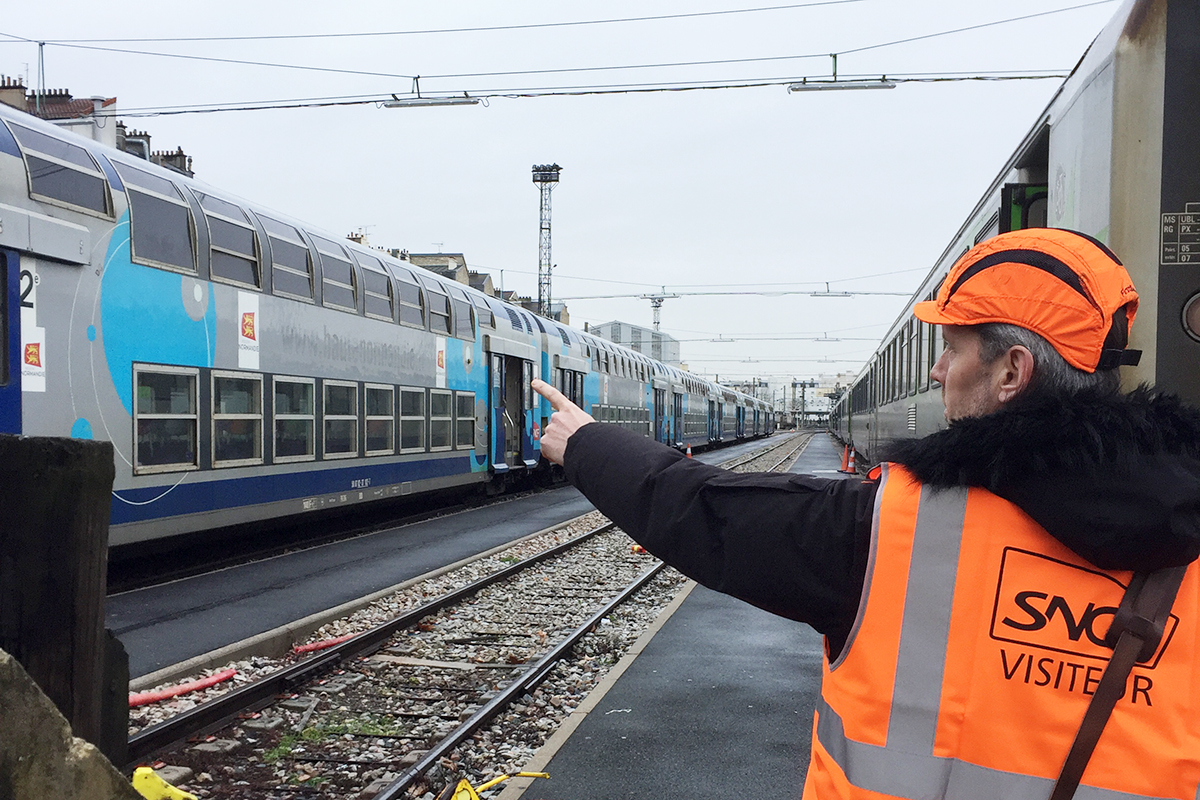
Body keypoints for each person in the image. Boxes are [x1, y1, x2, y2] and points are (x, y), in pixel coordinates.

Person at [531, 228, 1200, 799]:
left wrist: (585, 445)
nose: (937, 371)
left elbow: (706, 512)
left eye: (954, 348)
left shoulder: (897, 527)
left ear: (1010, 373)